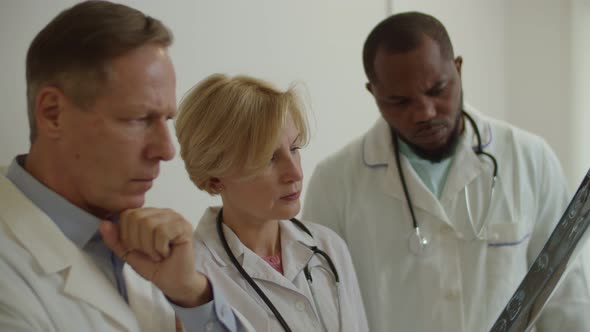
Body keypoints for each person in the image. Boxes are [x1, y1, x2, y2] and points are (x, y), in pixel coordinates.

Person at [302, 11, 590, 332]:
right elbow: (319, 311)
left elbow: (565, 299)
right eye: (399, 101)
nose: (425, 112)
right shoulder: (334, 183)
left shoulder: (530, 160)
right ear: (374, 94)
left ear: (458, 69)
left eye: (437, 90)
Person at [0, 1, 252, 331]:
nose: (167, 150)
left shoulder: (149, 246)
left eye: (166, 120)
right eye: (138, 119)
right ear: (52, 113)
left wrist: (191, 295)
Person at [169, 73, 369, 331]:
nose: (295, 173)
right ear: (216, 176)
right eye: (268, 159)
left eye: (295, 149)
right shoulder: (192, 276)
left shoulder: (328, 247)